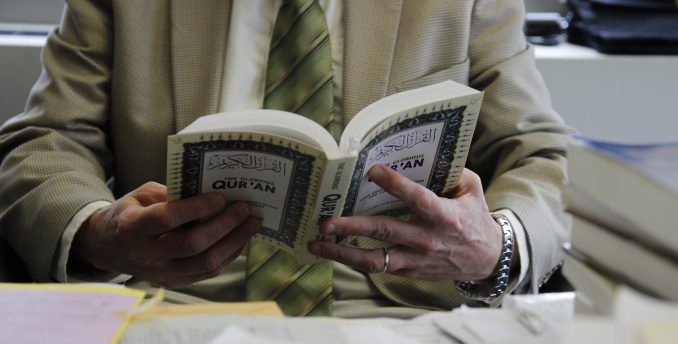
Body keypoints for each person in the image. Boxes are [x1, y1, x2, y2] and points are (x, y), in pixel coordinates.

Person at [0, 0, 572, 317]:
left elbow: (535, 152)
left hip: (407, 317)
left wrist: (496, 246)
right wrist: (100, 233)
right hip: (178, 307)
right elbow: (48, 140)